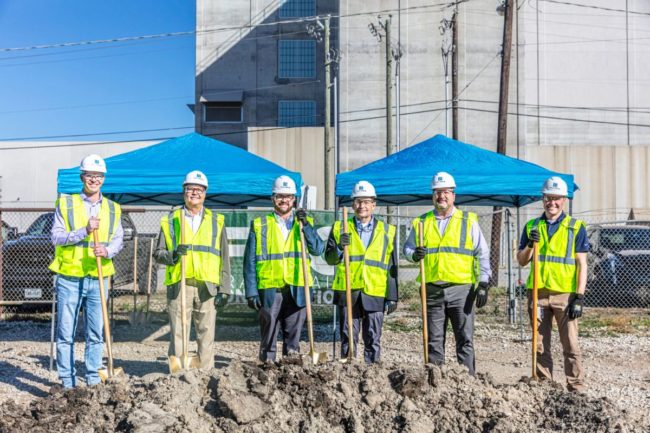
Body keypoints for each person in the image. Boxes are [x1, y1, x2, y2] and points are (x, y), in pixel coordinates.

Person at [403, 172, 491, 375]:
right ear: (432, 195)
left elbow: (482, 253)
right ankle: (435, 383)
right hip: (432, 289)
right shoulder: (421, 222)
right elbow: (407, 250)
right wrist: (414, 255)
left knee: (465, 339)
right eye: (437, 192)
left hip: (461, 290)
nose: (441, 196)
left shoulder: (468, 221)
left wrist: (484, 283)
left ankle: (468, 382)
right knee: (433, 341)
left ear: (453, 195)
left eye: (445, 192)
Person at [49, 154, 124, 389]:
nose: (94, 179)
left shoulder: (113, 208)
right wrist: (84, 230)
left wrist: (108, 250)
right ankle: (67, 382)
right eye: (90, 175)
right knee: (66, 333)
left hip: (98, 278)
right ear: (82, 177)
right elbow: (56, 237)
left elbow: (119, 240)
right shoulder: (67, 203)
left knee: (95, 333)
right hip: (70, 277)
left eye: (99, 176)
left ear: (103, 179)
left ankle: (93, 379)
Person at [516, 176, 588, 392]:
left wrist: (579, 296)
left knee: (570, 343)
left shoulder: (575, 227)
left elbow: (582, 264)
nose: (552, 203)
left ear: (564, 200)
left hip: (564, 295)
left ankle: (576, 387)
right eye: (548, 198)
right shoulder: (531, 226)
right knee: (539, 344)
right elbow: (521, 260)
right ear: (543, 199)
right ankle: (544, 386)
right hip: (537, 294)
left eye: (556, 198)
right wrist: (530, 244)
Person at [154, 170, 231, 369]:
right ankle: (178, 378)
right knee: (178, 332)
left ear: (205, 193)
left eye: (199, 189)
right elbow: (158, 253)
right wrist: (173, 255)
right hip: (180, 284)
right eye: (190, 189)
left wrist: (224, 288)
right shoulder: (171, 220)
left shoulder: (217, 221)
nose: (194, 193)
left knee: (206, 333)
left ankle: (205, 375)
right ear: (184, 192)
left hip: (207, 286)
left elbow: (224, 257)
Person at [243, 175, 325, 362]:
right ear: (273, 198)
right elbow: (249, 262)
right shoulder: (260, 224)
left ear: (294, 199)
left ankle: (291, 372)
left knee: (293, 338)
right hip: (270, 289)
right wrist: (251, 291)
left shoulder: (303, 223)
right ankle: (267, 371)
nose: (284, 200)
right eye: (280, 196)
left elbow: (318, 249)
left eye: (288, 196)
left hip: (297, 287)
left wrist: (306, 225)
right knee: (268, 337)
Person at [324, 181, 398, 363]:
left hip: (375, 291)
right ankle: (348, 372)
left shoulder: (387, 231)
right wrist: (340, 247)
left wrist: (393, 296)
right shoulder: (340, 228)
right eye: (358, 201)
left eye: (366, 202)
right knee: (348, 336)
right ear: (352, 204)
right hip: (348, 291)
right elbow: (330, 259)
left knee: (373, 336)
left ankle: (372, 372)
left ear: (374, 204)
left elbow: (392, 267)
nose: (361, 206)